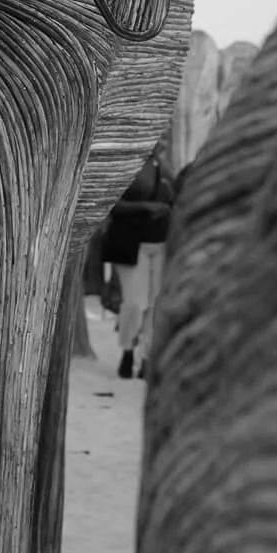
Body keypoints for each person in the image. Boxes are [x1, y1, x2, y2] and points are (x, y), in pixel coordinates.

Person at [101, 141, 177, 380]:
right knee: (135, 303)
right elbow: (112, 205)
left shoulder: (165, 167)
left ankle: (146, 358)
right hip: (131, 245)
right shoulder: (128, 166)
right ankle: (127, 350)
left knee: (155, 305)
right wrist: (146, 207)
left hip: (161, 243)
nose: (161, 142)